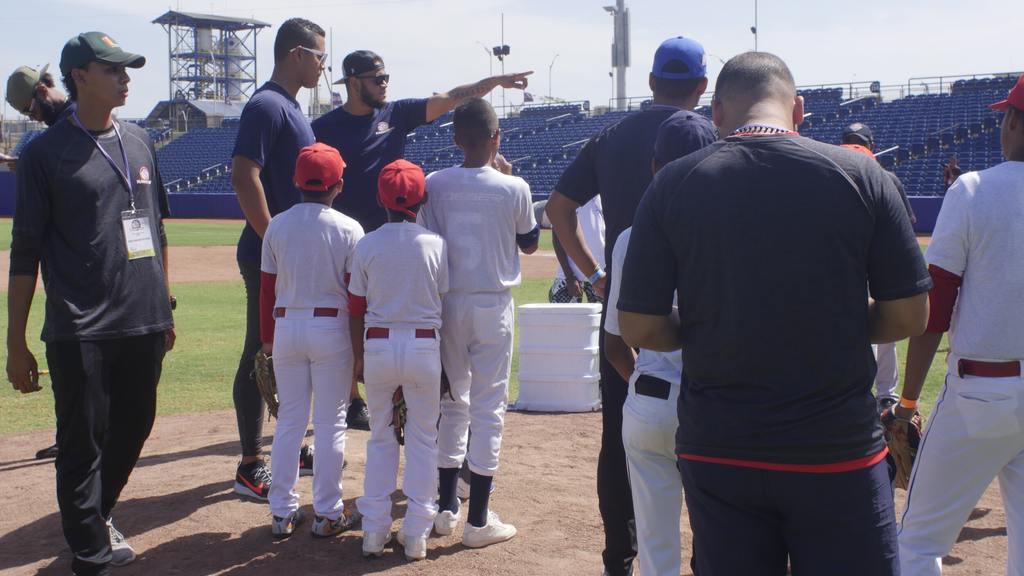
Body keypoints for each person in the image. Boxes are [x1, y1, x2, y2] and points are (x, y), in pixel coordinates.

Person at [616, 51, 930, 575]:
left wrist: (709, 328)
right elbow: (909, 315)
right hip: (836, 447)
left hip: (720, 446)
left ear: (715, 113)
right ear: (799, 109)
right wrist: (844, 326)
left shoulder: (671, 184)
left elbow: (640, 327)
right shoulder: (862, 175)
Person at [6, 32, 175, 576]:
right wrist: (15, 342)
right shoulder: (43, 154)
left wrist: (165, 307)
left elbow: (156, 230)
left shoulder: (142, 141)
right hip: (80, 325)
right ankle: (90, 557)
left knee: (134, 427)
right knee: (81, 444)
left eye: (127, 70)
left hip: (144, 318)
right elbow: (26, 252)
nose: (126, 78)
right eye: (113, 70)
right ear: (79, 77)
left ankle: (95, 518)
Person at [544, 35, 710, 576]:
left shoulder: (613, 136)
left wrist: (595, 277)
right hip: (706, 311)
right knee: (714, 440)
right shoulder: (714, 137)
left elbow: (559, 208)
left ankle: (620, 557)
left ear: (650, 82)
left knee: (621, 441)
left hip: (629, 301)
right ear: (702, 87)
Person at [895, 73, 1024, 576]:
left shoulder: (973, 190)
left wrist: (907, 402)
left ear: (1012, 121)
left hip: (981, 394)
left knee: (918, 542)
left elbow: (934, 312)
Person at [418, 97, 538, 548]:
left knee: (453, 404)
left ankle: (447, 507)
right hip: (493, 303)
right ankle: (479, 519)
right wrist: (506, 179)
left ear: (455, 140)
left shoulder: (436, 183)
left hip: (448, 302)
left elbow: (428, 237)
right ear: (496, 138)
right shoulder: (515, 186)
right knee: (489, 408)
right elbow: (528, 243)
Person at [602, 111, 715, 576]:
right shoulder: (730, 232)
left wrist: (641, 382)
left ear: (654, 166)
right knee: (721, 543)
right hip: (716, 405)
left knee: (655, 550)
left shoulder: (631, 237)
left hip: (650, 401)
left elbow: (614, 344)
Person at [230, 17, 325, 499]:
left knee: (287, 351)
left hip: (288, 252)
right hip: (270, 254)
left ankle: (292, 444)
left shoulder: (290, 106)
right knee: (260, 350)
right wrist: (273, 243)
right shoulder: (268, 105)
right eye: (319, 57)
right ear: (296, 54)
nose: (323, 66)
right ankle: (250, 463)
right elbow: (244, 175)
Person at [258, 142, 363, 538]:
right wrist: (359, 345)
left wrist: (267, 340)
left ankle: (282, 512)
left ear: (295, 182)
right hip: (332, 328)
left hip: (286, 328)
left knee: (290, 421)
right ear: (338, 184)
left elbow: (267, 289)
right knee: (331, 422)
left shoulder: (277, 225)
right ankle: (328, 512)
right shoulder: (350, 228)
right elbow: (356, 295)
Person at [349, 159, 449, 560]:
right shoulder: (436, 244)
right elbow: (443, 298)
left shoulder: (367, 244)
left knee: (380, 438)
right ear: (421, 198)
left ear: (380, 198)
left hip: (378, 345)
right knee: (425, 440)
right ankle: (416, 534)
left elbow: (356, 306)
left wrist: (357, 357)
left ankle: (374, 532)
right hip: (425, 345)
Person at [5, 63, 76, 461]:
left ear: (45, 89)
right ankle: (71, 436)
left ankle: (78, 440)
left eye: (31, 108)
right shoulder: (48, 145)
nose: (32, 117)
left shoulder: (64, 140)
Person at [840, 122, 917, 414]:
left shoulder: (827, 170)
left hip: (844, 267)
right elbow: (906, 227)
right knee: (886, 331)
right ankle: (885, 394)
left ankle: (869, 392)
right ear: (871, 145)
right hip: (879, 266)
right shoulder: (886, 176)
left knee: (857, 328)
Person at [549, 196, 605, 304]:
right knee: (563, 319)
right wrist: (569, 276)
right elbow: (557, 238)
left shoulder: (605, 194)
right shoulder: (567, 194)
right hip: (570, 273)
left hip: (600, 274)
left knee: (601, 319)